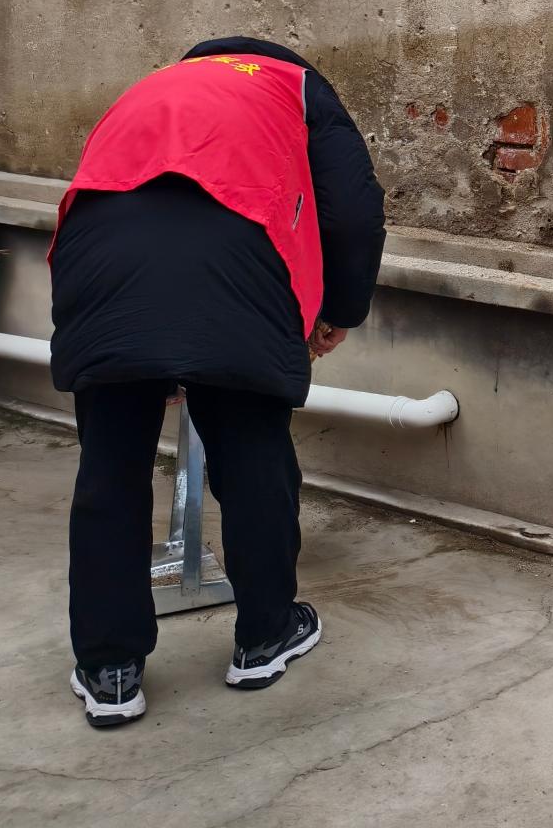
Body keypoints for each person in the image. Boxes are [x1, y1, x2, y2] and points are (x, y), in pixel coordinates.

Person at [49, 36, 386, 728]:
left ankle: (110, 670)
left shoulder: (155, 85)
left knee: (111, 464)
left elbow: (107, 190)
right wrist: (340, 311)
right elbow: (353, 211)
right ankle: (266, 634)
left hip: (98, 265)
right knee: (252, 447)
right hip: (237, 263)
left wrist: (150, 350)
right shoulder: (298, 90)